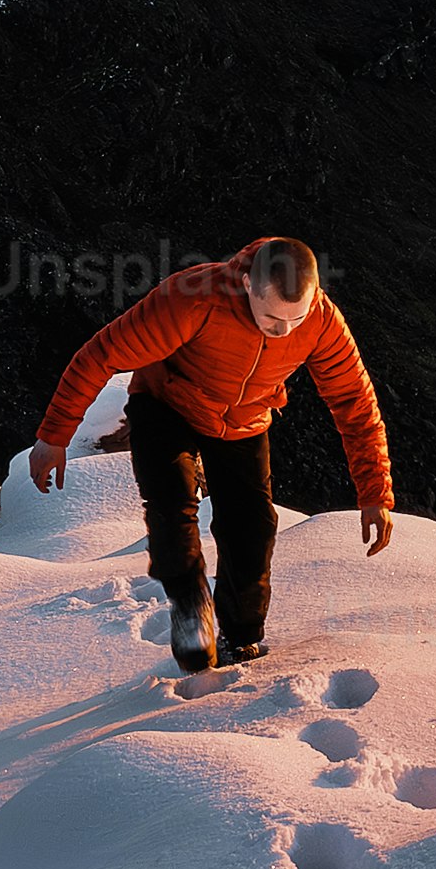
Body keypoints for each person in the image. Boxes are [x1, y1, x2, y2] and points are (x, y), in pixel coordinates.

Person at [30, 235, 393, 678]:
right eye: (272, 319)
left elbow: (355, 404)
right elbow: (100, 355)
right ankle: (189, 607)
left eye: (294, 319)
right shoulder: (192, 299)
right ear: (245, 284)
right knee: (171, 503)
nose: (284, 332)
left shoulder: (321, 322)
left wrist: (374, 494)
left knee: (253, 525)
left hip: (244, 419)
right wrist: (54, 437)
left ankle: (242, 638)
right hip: (167, 403)